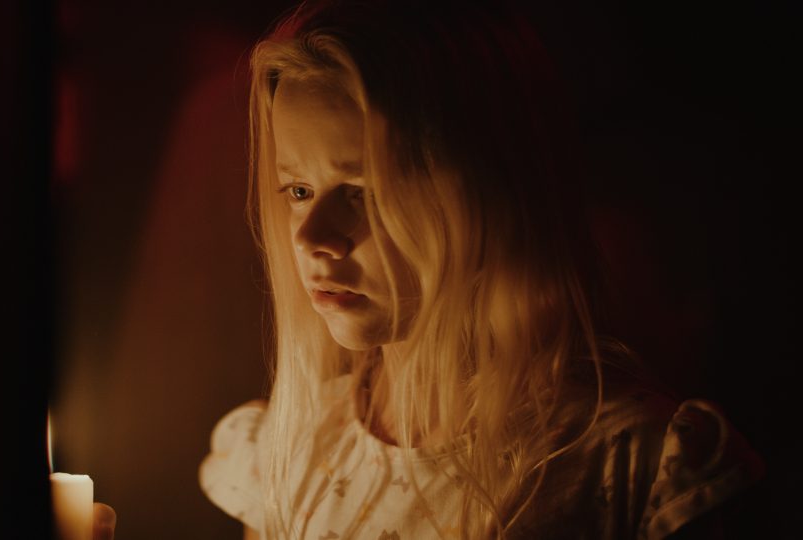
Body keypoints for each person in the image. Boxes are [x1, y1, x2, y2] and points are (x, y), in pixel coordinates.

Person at [198, 1, 764, 538]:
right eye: (299, 190)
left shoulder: (632, 468)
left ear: (493, 194)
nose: (310, 238)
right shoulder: (288, 451)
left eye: (364, 192)